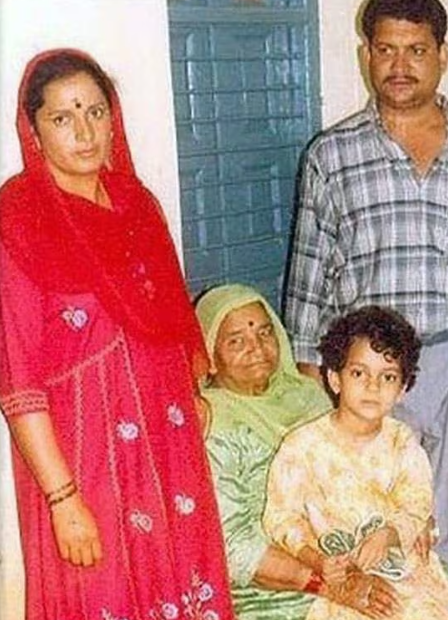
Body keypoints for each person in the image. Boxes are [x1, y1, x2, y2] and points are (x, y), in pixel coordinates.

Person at [284, 1, 448, 619]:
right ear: (367, 54)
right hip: (368, 377)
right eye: (386, 50)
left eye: (416, 50)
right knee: (374, 531)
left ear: (442, 56)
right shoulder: (331, 155)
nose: (400, 66)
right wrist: (307, 376)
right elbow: (310, 273)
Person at [0, 49, 234, 620]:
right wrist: (62, 499)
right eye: (63, 117)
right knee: (103, 593)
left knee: (184, 582)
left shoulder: (137, 204)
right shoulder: (19, 219)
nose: (84, 132)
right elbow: (18, 377)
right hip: (85, 459)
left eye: (96, 112)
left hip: (166, 438)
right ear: (33, 128)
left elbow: (171, 318)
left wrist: (191, 390)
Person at [195, 284, 400, 620]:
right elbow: (234, 547)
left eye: (265, 333)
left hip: (346, 553)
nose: (257, 349)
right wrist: (330, 584)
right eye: (236, 341)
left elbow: (364, 468)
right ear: (210, 355)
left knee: (437, 588)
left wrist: (402, 523)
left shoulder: (306, 396)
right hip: (274, 584)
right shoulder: (213, 424)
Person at [263, 306, 448, 620]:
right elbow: (281, 517)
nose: (373, 387)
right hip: (341, 575)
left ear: (402, 389)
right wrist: (316, 560)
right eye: (359, 373)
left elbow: (417, 502)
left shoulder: (402, 442)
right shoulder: (302, 447)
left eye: (387, 377)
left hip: (404, 571)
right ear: (334, 379)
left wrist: (391, 533)